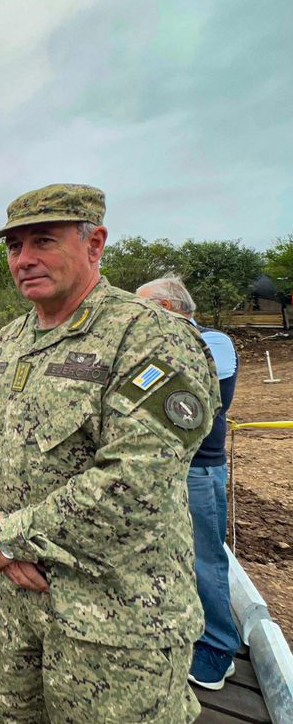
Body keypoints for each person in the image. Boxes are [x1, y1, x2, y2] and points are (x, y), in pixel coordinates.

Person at [0, 184, 219, 723]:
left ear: (94, 243)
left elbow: (137, 479)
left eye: (43, 240)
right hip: (21, 603)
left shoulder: (150, 335)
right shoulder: (10, 340)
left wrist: (10, 535)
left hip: (117, 626)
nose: (24, 259)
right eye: (15, 246)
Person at [137, 275, 241, 690]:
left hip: (198, 469)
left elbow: (195, 400)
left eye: (143, 309)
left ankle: (218, 648)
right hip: (163, 469)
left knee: (204, 557)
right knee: (169, 555)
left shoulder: (214, 342)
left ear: (165, 309)